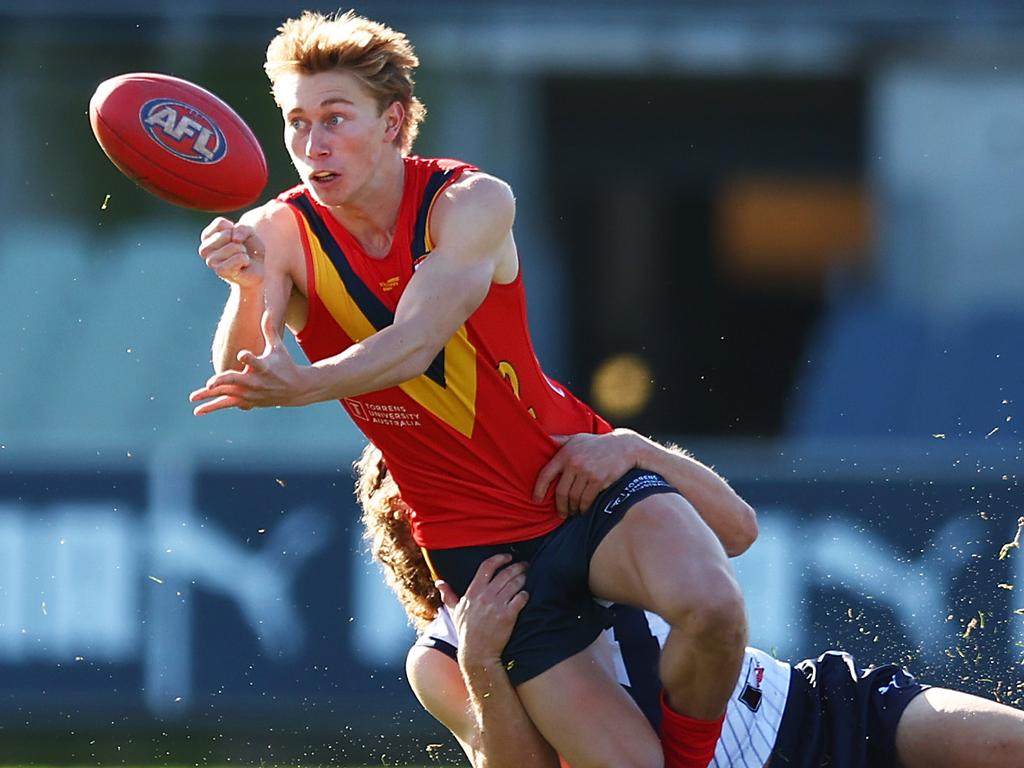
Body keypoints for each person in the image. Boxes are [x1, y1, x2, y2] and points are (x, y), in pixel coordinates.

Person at [189, 10, 751, 766]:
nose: (312, 144)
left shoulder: (471, 201)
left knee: (713, 607)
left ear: (392, 124)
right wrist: (247, 285)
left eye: (334, 118)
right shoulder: (282, 230)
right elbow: (239, 369)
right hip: (477, 548)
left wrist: (306, 384)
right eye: (295, 123)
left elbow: (417, 341)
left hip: (570, 476)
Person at [355, 433, 1024, 768]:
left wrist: (631, 448)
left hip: (815, 713)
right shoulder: (442, 652)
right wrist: (483, 666)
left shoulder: (570, 501)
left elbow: (737, 527)